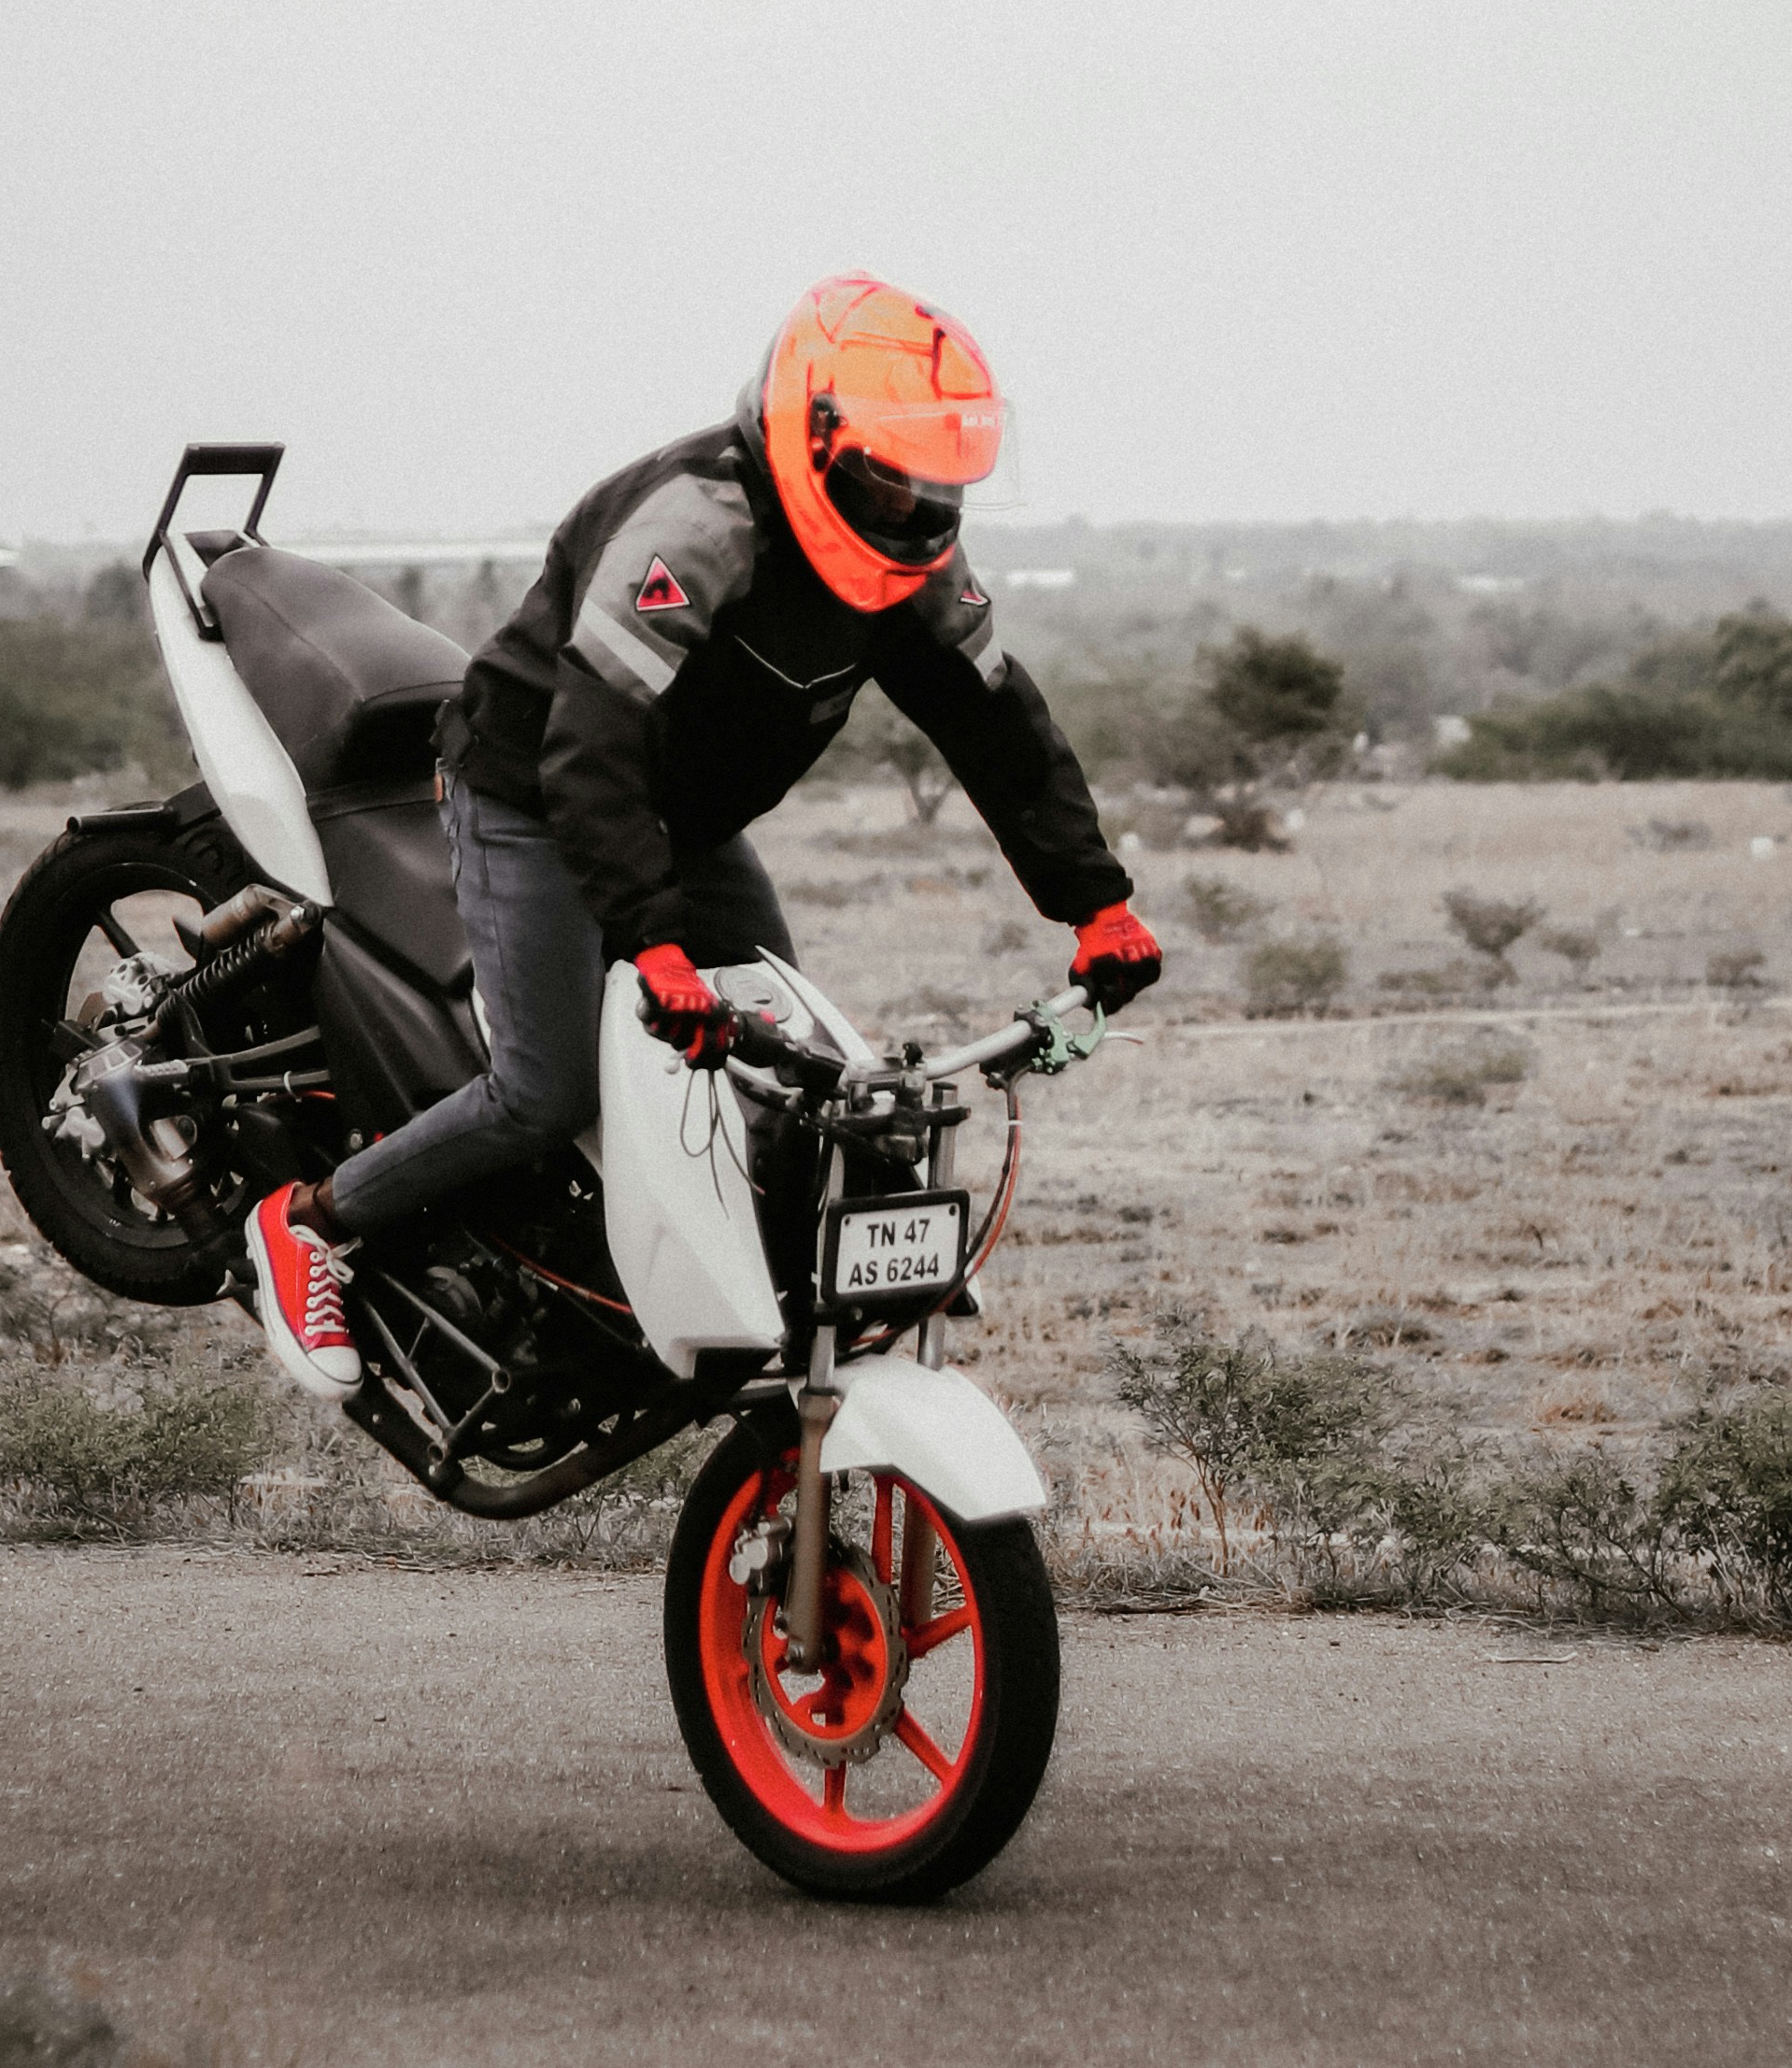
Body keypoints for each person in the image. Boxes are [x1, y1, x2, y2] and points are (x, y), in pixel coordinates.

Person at [247, 275, 1162, 1392]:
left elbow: (998, 726)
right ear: (813, 439)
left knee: (794, 1055)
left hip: (681, 814)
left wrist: (1097, 904)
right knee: (545, 1091)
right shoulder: (699, 525)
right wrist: (655, 940)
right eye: (894, 469)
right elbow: (590, 745)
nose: (919, 499)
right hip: (537, 791)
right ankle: (312, 1221)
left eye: (939, 475)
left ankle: (769, 1271)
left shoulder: (912, 559)